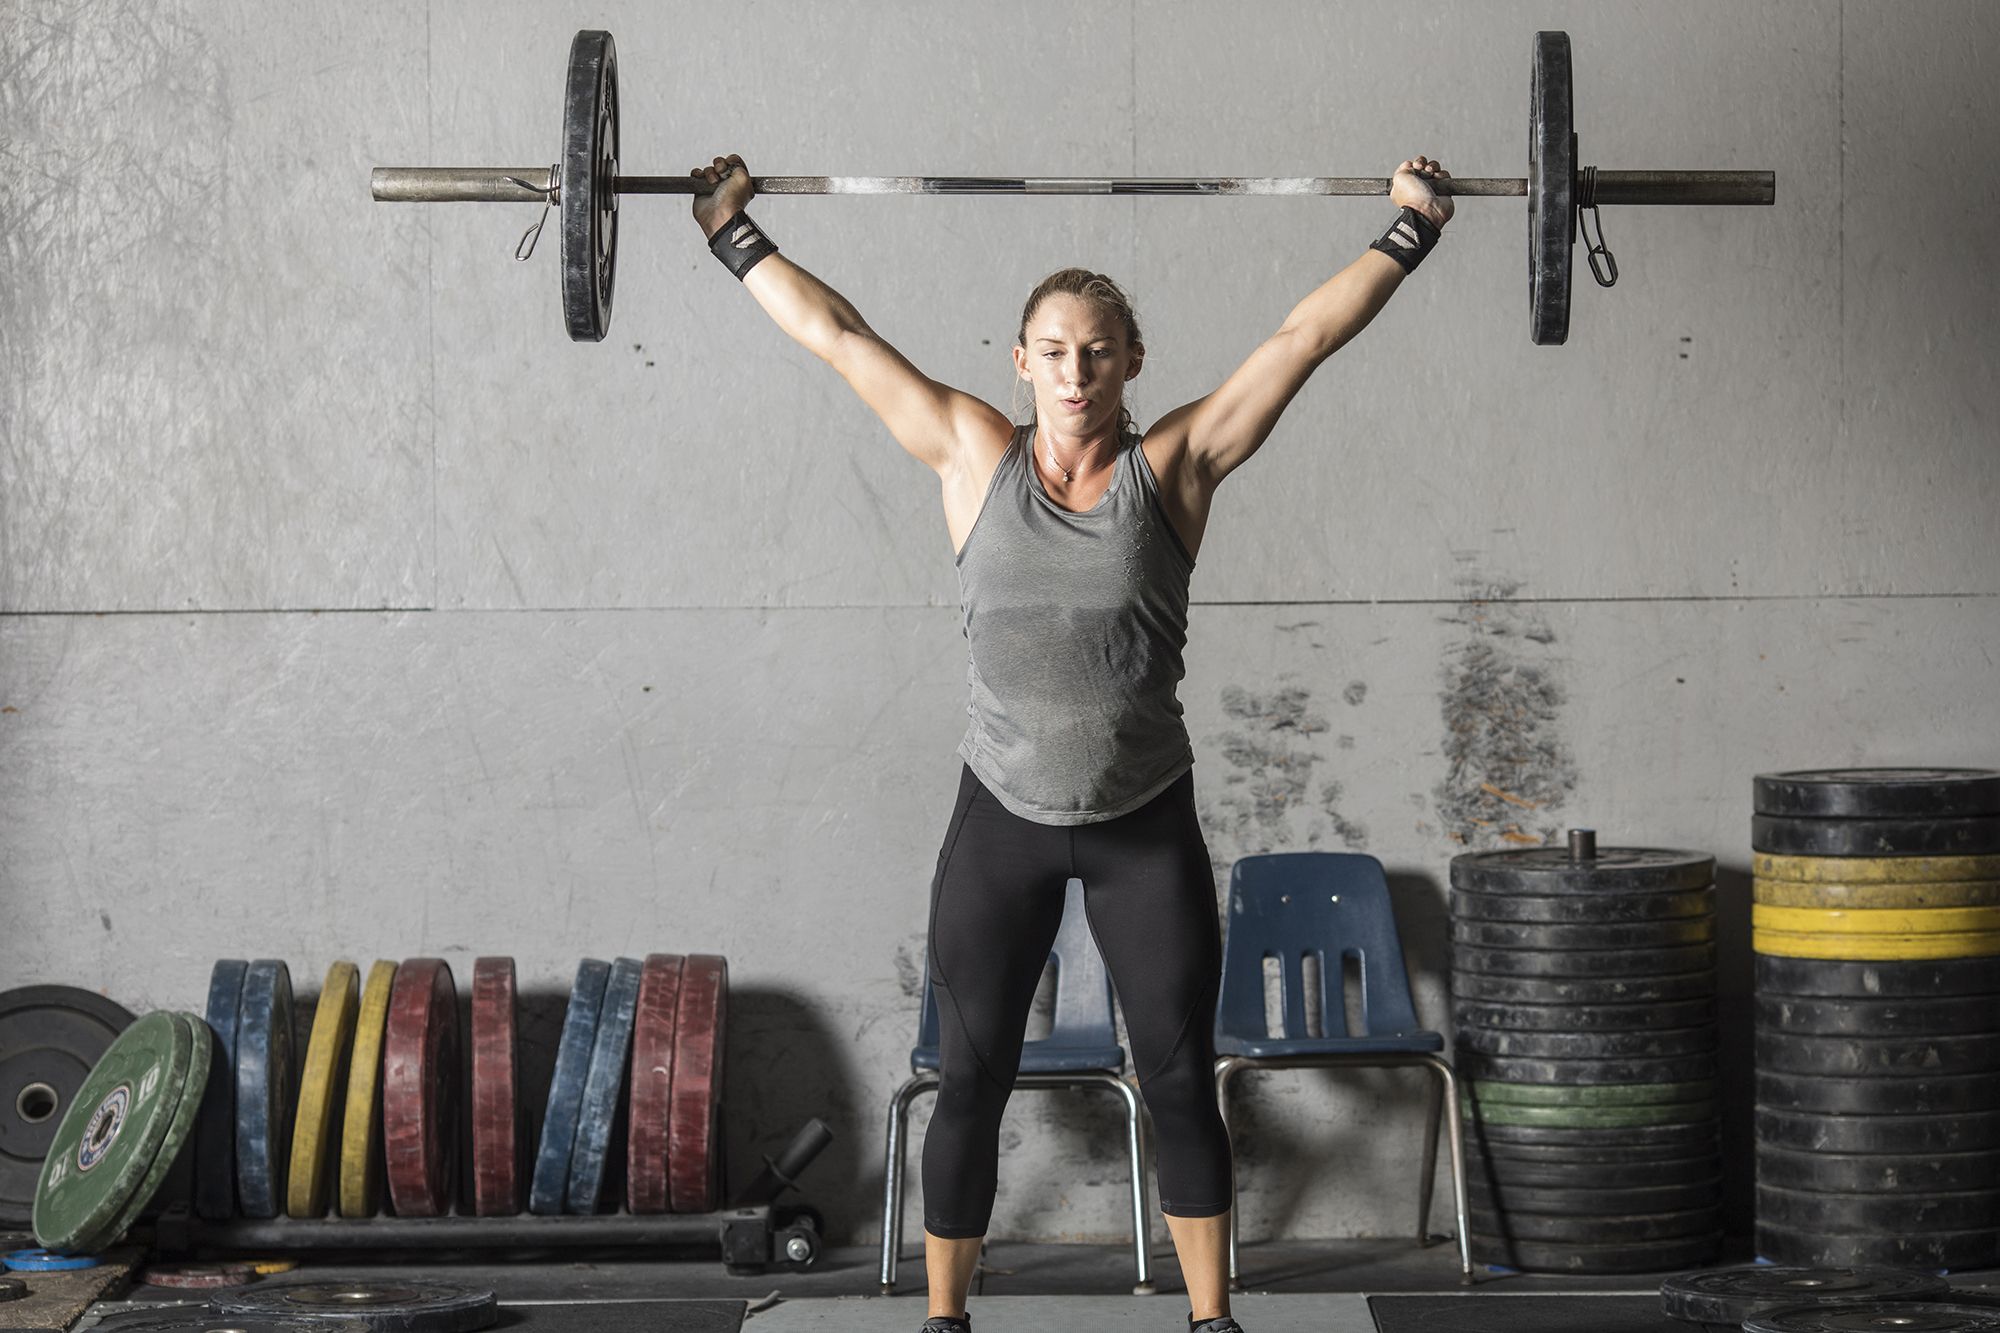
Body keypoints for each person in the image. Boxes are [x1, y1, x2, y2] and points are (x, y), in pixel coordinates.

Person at [690, 151, 1453, 1333]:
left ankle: (1211, 1322)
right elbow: (837, 337)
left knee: (1177, 1080)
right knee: (972, 1082)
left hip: (1141, 827)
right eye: (1052, 349)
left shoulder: (1175, 467)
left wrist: (1406, 231)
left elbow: (1301, 339)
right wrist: (730, 234)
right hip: (1001, 822)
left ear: (1131, 362)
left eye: (1097, 350)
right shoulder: (966, 453)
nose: (1074, 371)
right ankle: (945, 1320)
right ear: (1020, 361)